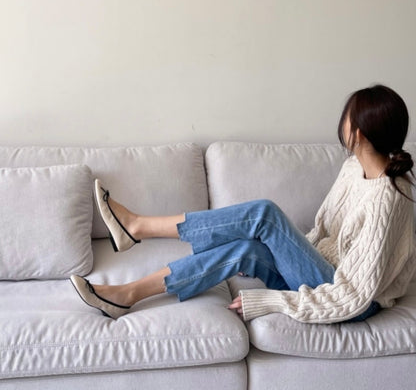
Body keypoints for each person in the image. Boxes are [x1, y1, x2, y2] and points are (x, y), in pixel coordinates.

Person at [71, 84, 415, 323]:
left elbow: (353, 296)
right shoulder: (354, 168)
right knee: (244, 249)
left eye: (347, 117)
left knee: (265, 214)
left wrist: (274, 301)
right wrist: (284, 254)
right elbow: (323, 232)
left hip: (350, 300)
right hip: (323, 274)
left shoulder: (389, 199)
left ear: (358, 133)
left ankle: (137, 226)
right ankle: (127, 294)